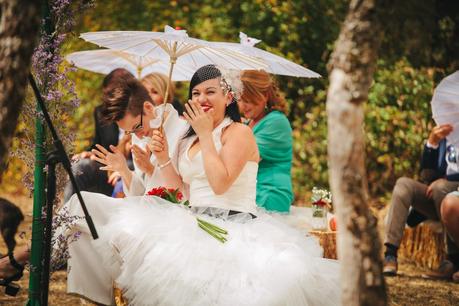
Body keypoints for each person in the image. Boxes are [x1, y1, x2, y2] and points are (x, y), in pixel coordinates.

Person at [0, 65, 340, 305]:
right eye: (196, 93)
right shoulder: (189, 138)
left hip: (232, 223)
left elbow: (220, 185)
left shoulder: (240, 133)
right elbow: (183, 190)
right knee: (110, 226)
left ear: (228, 96)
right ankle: (69, 281)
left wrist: (205, 134)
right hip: (192, 216)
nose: (203, 98)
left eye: (211, 92)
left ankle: (21, 262)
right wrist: (156, 161)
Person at [383, 124, 459, 279]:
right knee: (403, 185)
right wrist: (432, 144)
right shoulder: (447, 134)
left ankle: (453, 260)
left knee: (440, 187)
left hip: (453, 198)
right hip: (437, 196)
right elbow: (426, 176)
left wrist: (444, 182)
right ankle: (390, 255)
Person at [63, 68, 134, 202]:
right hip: (107, 167)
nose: (107, 99)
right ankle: (67, 215)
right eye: (105, 94)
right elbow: (98, 144)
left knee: (128, 164)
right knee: (80, 166)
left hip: (133, 168)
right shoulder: (101, 112)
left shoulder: (142, 112)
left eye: (112, 94)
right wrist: (89, 153)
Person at [237, 70, 293, 213]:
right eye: (241, 100)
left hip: (270, 194)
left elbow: (243, 157)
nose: (243, 106)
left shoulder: (276, 122)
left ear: (265, 96)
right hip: (252, 193)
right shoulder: (251, 121)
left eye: (248, 100)